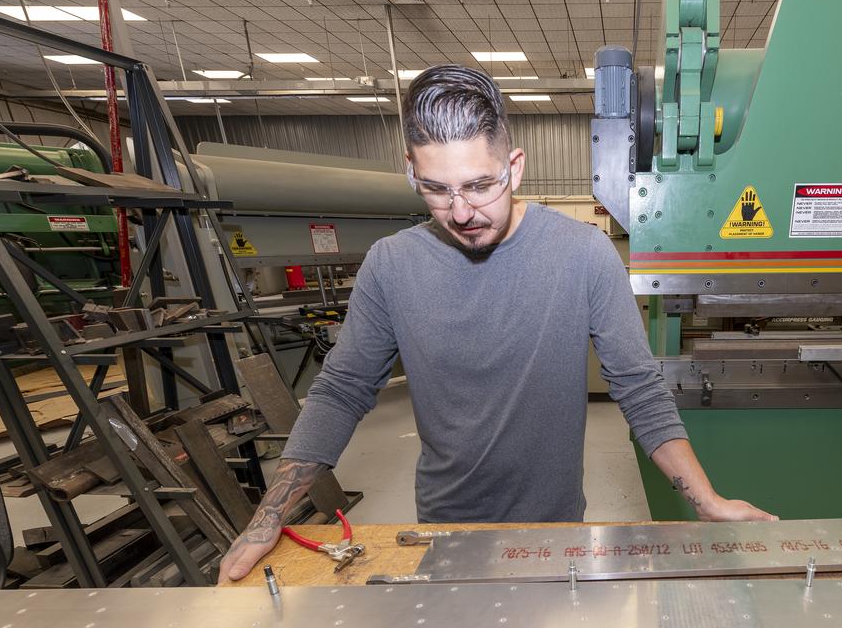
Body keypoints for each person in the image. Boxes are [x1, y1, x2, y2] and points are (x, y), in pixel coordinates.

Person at [217, 65, 775, 583]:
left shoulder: (583, 254)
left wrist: (707, 500)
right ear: (411, 171)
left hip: (556, 529)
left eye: (480, 185)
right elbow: (341, 390)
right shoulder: (391, 264)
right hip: (445, 527)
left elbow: (639, 387)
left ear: (515, 166)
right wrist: (267, 520)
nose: (461, 212)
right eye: (437, 189)